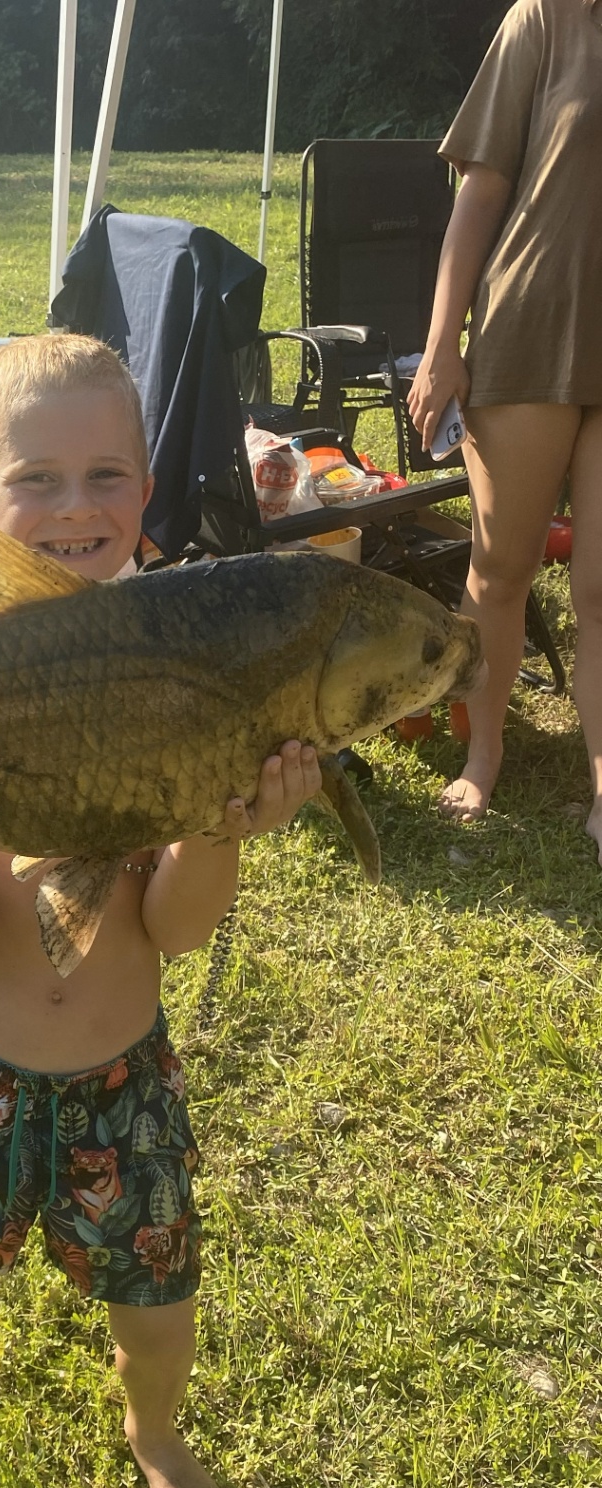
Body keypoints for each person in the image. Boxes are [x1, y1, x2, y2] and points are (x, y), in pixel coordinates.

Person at [0, 336, 323, 1488]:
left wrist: (219, 823)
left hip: (124, 1086)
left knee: (157, 1318)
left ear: (145, 494)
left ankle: (155, 1437)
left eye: (107, 474)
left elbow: (175, 928)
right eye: (35, 480)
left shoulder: (177, 663)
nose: (74, 506)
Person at [408, 0, 602, 851]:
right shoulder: (545, 21)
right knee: (502, 568)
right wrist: (441, 344)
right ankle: (482, 753)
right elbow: (478, 196)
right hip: (529, 332)